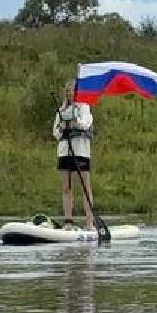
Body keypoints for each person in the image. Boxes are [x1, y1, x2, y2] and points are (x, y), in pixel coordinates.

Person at [51, 81, 99, 229]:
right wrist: (62, 127)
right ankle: (68, 221)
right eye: (68, 92)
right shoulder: (62, 110)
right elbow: (55, 132)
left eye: (73, 91)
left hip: (81, 151)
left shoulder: (84, 107)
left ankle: (90, 222)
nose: (71, 94)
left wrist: (75, 121)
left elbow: (86, 124)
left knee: (85, 185)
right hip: (65, 151)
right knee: (66, 187)